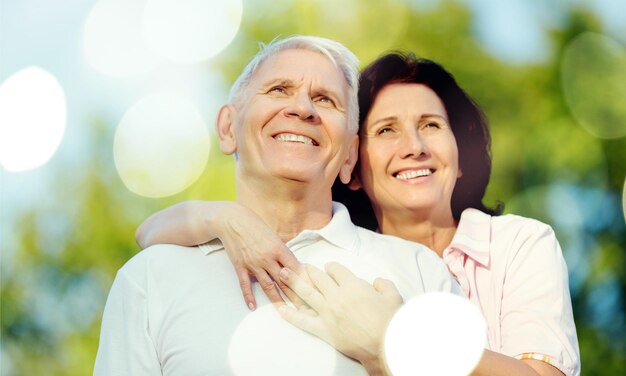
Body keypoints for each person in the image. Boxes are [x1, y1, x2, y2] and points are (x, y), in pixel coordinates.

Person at [136, 53, 581, 375]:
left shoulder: (516, 244)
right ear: (352, 164)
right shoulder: (337, 258)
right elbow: (149, 232)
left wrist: (393, 339)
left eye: (431, 125)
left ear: (460, 155)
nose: (414, 146)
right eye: (386, 130)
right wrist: (222, 219)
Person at [94, 37, 458, 375]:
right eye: (279, 89)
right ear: (227, 129)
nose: (302, 108)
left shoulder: (420, 271)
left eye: (326, 100)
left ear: (349, 155)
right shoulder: (150, 279)